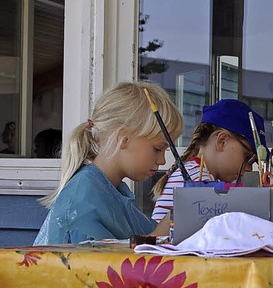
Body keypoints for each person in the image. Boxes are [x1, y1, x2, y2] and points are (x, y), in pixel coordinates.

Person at [34, 81, 184, 245]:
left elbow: (144, 238)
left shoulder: (114, 191)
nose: (162, 160)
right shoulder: (84, 196)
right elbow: (101, 265)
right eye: (157, 149)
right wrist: (161, 232)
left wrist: (173, 222)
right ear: (123, 139)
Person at [151, 99, 267, 222]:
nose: (249, 168)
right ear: (221, 142)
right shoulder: (197, 180)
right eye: (248, 157)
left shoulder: (195, 172)